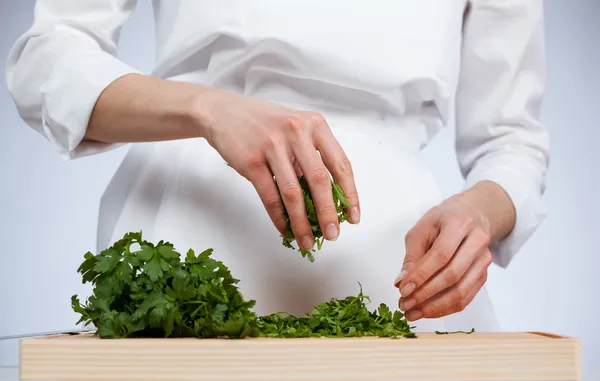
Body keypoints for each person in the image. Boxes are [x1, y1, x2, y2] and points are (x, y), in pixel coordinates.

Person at [5, 0, 549, 332]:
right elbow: (45, 62)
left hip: (400, 281)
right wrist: (207, 107)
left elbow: (512, 139)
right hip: (179, 253)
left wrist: (480, 213)